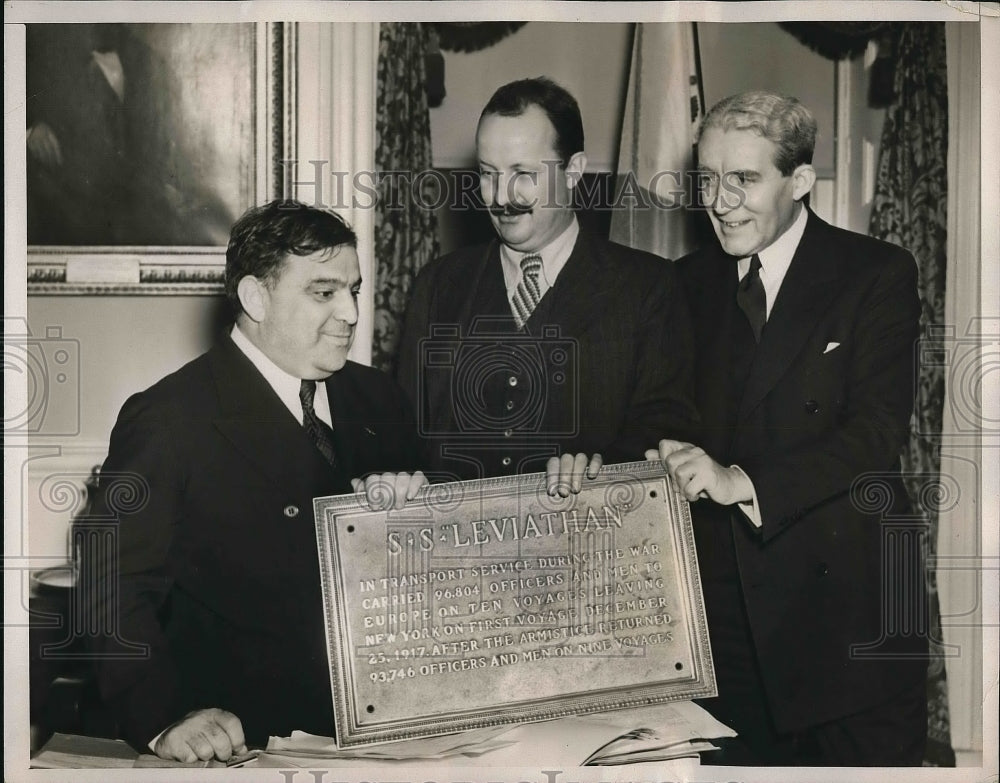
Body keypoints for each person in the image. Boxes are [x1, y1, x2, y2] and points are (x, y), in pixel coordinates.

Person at [85, 200, 426, 762]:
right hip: (245, 743)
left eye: (354, 290)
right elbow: (110, 587)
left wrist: (421, 509)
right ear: (254, 298)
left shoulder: (378, 399)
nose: (349, 313)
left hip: (390, 734)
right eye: (324, 292)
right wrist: (162, 720)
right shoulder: (170, 419)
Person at [649, 91, 926, 765]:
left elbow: (874, 434)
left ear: (800, 182)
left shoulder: (876, 273)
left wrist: (737, 478)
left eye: (744, 179)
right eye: (707, 180)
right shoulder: (684, 284)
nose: (719, 201)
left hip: (852, 624)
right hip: (727, 623)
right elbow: (665, 406)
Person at [397, 77, 698, 489]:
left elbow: (664, 431)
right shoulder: (437, 286)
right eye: (488, 174)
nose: (501, 196)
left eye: (523, 173)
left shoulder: (648, 286)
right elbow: (402, 436)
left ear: (573, 171)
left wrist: (599, 470)